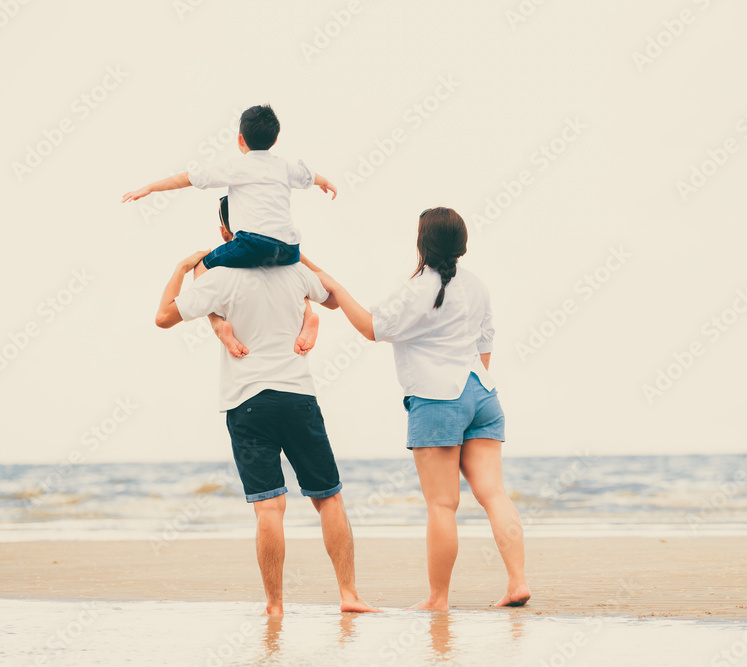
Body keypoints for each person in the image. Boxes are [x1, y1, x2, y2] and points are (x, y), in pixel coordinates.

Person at [152, 206, 378, 617]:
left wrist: (184, 266)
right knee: (329, 500)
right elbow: (332, 296)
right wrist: (299, 257)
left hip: (247, 400)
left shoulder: (218, 277)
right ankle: (349, 594)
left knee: (269, 508)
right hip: (297, 397)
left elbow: (163, 316)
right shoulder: (293, 272)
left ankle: (274, 605)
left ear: (226, 231)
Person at [315, 207, 531, 610]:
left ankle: (438, 598)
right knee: (495, 494)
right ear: (461, 243)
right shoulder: (477, 285)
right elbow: (486, 344)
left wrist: (338, 288)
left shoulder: (418, 289)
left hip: (437, 400)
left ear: (423, 242)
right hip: (481, 393)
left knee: (442, 505)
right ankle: (517, 582)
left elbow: (371, 327)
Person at [123, 104, 336, 358]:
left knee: (202, 267)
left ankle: (218, 325)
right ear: (276, 139)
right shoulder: (284, 167)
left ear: (240, 140)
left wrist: (149, 188)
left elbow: (188, 178)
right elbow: (310, 177)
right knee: (292, 274)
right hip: (289, 248)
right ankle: (308, 317)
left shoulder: (236, 167)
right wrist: (327, 183)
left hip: (253, 244)